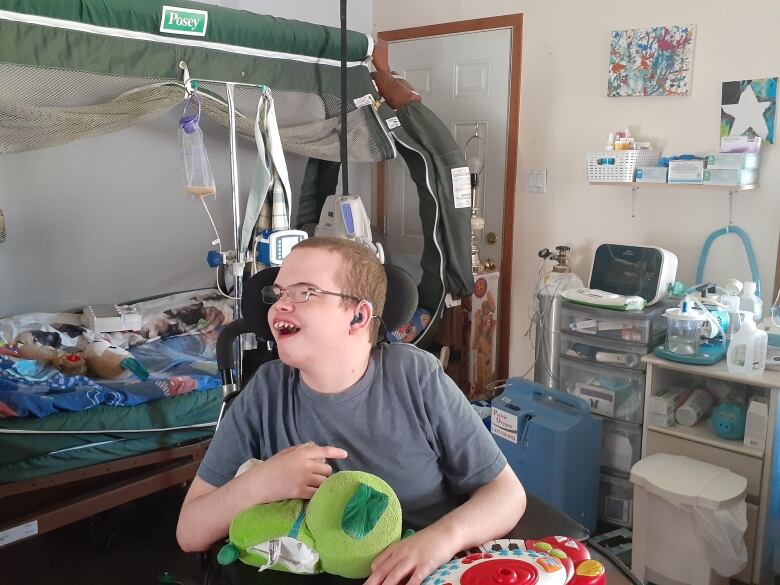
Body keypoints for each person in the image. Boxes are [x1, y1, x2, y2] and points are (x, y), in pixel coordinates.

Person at [176, 236, 526, 585]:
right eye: (278, 293)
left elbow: (506, 495)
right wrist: (260, 483)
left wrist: (440, 539)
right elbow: (189, 530)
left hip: (424, 572)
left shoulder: (415, 378)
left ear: (358, 316)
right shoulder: (266, 393)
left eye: (304, 292)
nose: (279, 305)